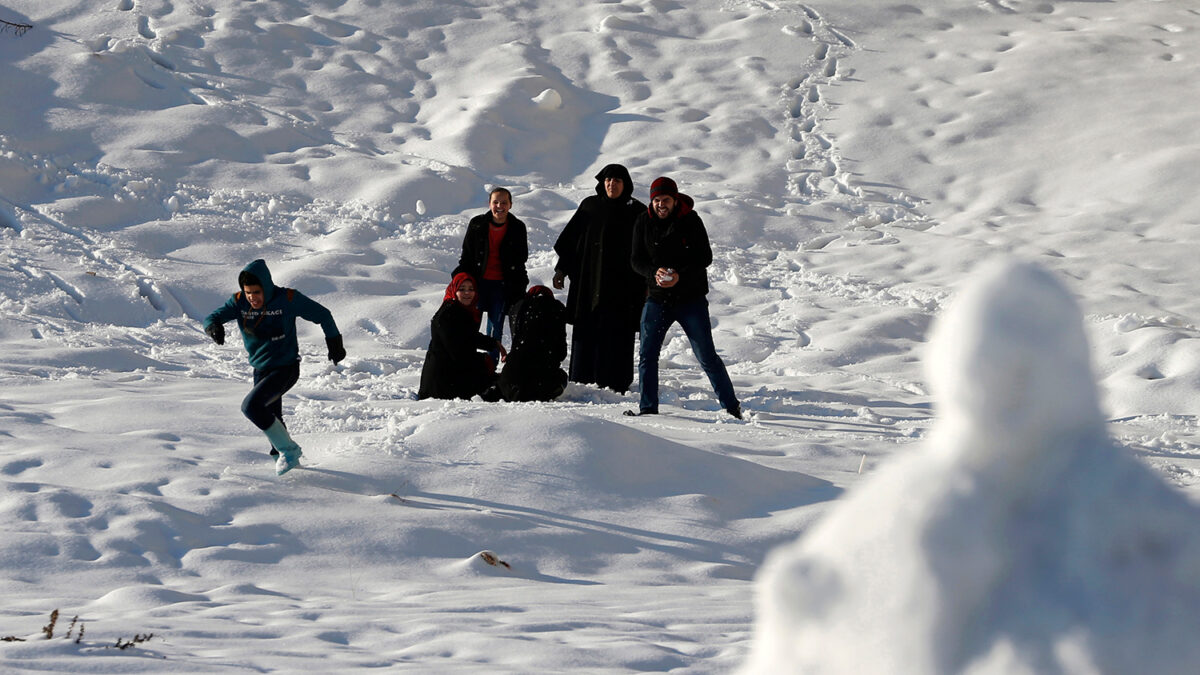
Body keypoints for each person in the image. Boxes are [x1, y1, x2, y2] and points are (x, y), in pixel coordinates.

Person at [203, 259, 345, 475]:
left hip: (285, 369)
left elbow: (323, 314)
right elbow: (211, 316)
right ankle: (291, 470)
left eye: (257, 292)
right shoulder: (239, 302)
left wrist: (334, 343)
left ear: (266, 288)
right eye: (248, 292)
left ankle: (289, 451)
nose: (252, 297)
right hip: (260, 370)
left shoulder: (287, 299)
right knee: (272, 419)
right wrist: (213, 327)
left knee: (251, 407)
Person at [627, 177, 742, 419]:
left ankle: (732, 408)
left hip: (690, 299)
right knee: (647, 355)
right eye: (656, 200)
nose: (660, 205)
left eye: (665, 200)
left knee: (706, 355)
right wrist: (652, 273)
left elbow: (705, 257)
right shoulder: (642, 221)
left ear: (675, 199)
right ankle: (647, 409)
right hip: (657, 298)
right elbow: (636, 260)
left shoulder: (691, 220)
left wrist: (680, 275)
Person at [552, 164, 646, 393]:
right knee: (587, 327)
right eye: (608, 180)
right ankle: (582, 378)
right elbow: (570, 241)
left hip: (623, 286)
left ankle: (616, 381)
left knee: (617, 332)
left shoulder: (637, 212)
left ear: (626, 184)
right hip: (589, 281)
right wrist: (562, 269)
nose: (611, 184)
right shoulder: (590, 206)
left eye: (617, 181)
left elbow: (646, 249)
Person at [452, 187, 529, 358]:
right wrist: (461, 281)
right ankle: (466, 363)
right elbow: (467, 256)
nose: (499, 206)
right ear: (489, 204)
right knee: (469, 327)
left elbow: (521, 258)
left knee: (495, 329)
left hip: (501, 286)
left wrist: (518, 286)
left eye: (504, 202)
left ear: (510, 205)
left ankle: (490, 365)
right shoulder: (477, 224)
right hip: (476, 285)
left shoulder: (517, 227)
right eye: (495, 202)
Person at [418, 272, 507, 401]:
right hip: (442, 384)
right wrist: (483, 361)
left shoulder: (458, 311)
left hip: (450, 375)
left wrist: (493, 344)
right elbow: (459, 352)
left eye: (471, 289)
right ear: (454, 290)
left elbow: (468, 336)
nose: (467, 293)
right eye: (462, 289)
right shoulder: (448, 315)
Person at [492, 285, 568, 402]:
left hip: (510, 384)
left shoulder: (518, 308)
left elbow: (517, 345)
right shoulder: (557, 309)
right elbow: (561, 353)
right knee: (562, 377)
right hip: (537, 386)